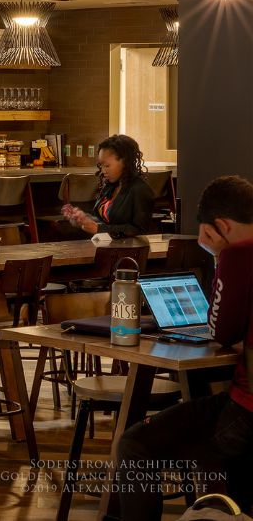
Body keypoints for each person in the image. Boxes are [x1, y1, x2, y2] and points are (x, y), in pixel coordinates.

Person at [114, 175, 253, 518]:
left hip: (246, 415)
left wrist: (221, 261)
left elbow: (220, 329)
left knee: (136, 444)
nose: (205, 244)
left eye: (207, 236)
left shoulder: (238, 255)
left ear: (221, 226)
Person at [63, 134, 154, 238]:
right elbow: (107, 221)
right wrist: (83, 219)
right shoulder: (111, 186)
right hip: (108, 248)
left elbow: (139, 230)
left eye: (107, 165)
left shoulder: (140, 189)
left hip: (128, 252)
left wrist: (99, 229)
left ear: (125, 162)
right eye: (101, 165)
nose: (103, 171)